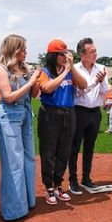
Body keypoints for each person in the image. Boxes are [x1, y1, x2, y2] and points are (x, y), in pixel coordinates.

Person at [0, 34, 41, 220]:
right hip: (9, 116)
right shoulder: (1, 68)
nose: (26, 51)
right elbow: (8, 97)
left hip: (26, 114)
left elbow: (34, 94)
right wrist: (29, 82)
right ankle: (14, 210)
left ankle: (28, 201)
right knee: (14, 163)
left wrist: (34, 80)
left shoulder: (24, 68)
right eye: (23, 48)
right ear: (13, 49)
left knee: (29, 159)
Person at [37, 39, 86, 205]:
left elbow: (84, 84)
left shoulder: (70, 70)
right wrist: (65, 72)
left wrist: (70, 68)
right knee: (48, 152)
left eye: (66, 53)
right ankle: (49, 187)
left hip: (69, 113)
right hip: (50, 114)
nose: (65, 57)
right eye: (61, 54)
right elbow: (47, 88)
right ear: (53, 55)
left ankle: (58, 185)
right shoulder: (45, 71)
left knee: (64, 152)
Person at [68, 37, 109, 195]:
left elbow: (105, 90)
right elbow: (79, 91)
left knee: (90, 147)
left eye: (95, 50)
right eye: (92, 51)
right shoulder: (75, 69)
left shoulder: (101, 67)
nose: (95, 54)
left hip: (95, 113)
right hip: (79, 111)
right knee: (74, 147)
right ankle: (73, 180)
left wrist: (103, 80)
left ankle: (86, 178)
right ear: (82, 54)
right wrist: (95, 82)